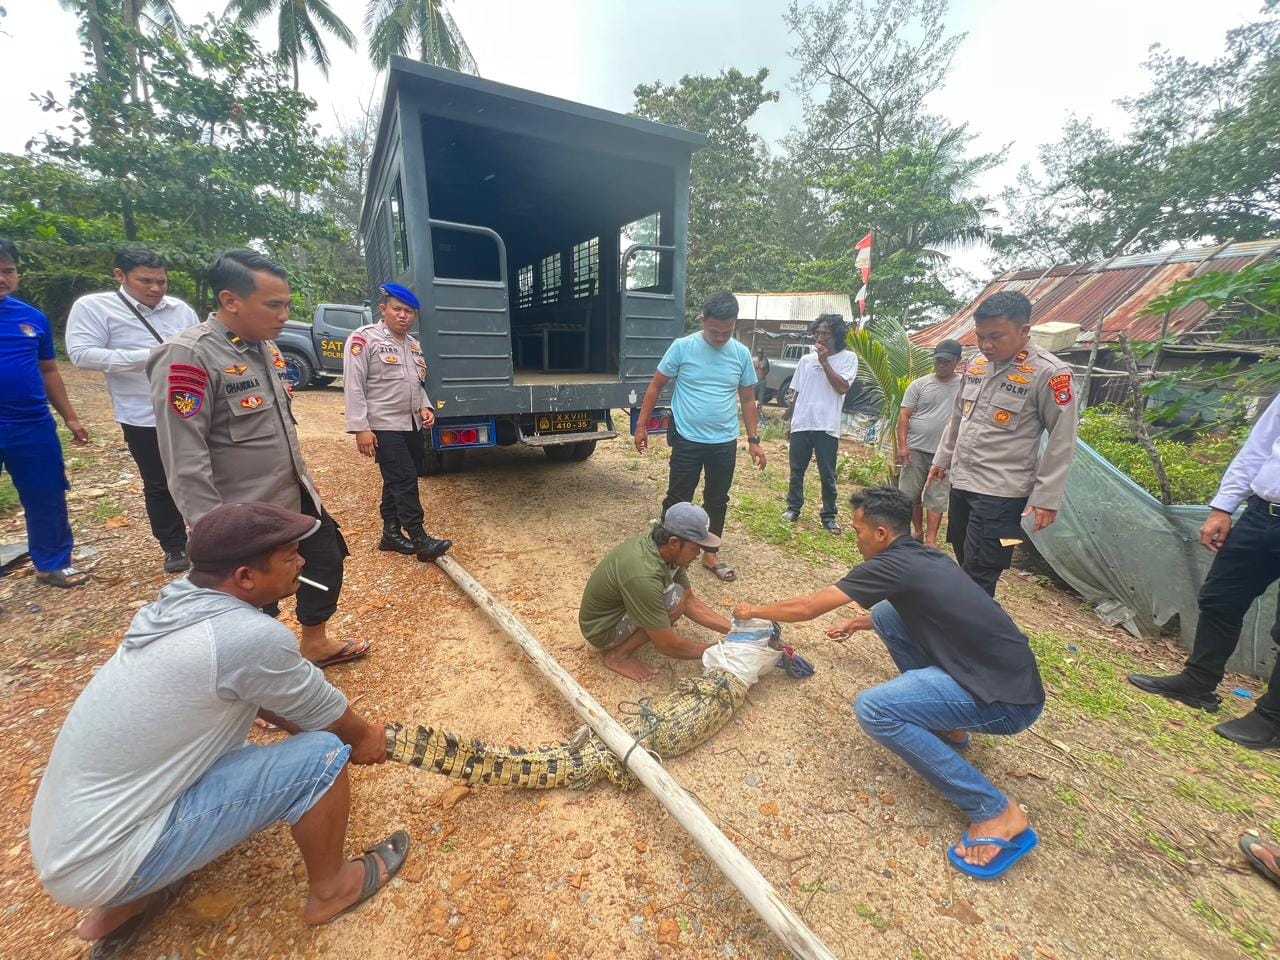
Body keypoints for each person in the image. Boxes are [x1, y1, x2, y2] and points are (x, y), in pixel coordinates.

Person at [29, 502, 408, 958]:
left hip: (69, 845)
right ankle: (333, 890)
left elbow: (269, 695)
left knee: (232, 747)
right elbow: (334, 719)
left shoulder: (177, 605)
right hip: (104, 859)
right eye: (290, 556)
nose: (302, 562)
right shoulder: (245, 636)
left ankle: (126, 902)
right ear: (246, 577)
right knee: (321, 757)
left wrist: (306, 722)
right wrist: (364, 740)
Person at [733, 486, 1045, 878]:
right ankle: (948, 726)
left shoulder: (889, 565)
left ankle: (995, 812)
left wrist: (753, 609)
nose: (856, 539)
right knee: (885, 614)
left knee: (874, 709)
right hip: (1004, 674)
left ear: (881, 534)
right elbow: (928, 608)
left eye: (858, 531)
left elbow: (808, 607)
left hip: (1008, 702)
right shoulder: (921, 555)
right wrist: (860, 620)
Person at [147, 249, 367, 668]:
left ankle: (315, 642)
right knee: (250, 597)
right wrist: (212, 534)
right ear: (230, 300)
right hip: (241, 512)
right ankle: (255, 674)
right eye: (273, 305)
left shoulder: (264, 347)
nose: (285, 315)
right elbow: (184, 458)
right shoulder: (189, 356)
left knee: (324, 559)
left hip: (292, 495)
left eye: (286, 304)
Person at [1128, 394, 1280, 750]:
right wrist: (1223, 507)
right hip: (1262, 514)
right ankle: (1198, 682)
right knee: (1220, 598)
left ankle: (1272, 718)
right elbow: (1257, 448)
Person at [928, 291, 1078, 596]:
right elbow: (958, 416)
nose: (986, 345)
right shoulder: (976, 364)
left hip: (1001, 494)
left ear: (1024, 331)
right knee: (965, 559)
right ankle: (972, 617)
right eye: (980, 336)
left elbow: (1062, 438)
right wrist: (942, 459)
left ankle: (969, 623)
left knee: (981, 572)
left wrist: (1046, 497)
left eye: (996, 336)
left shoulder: (1050, 373)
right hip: (963, 482)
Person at [66, 246, 200, 574]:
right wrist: (151, 356)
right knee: (159, 482)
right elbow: (81, 354)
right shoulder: (95, 307)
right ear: (120, 276)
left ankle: (209, 536)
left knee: (202, 473)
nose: (155, 288)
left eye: (161, 281)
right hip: (142, 413)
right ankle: (174, 545)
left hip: (190, 408)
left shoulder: (180, 310)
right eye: (145, 281)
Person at [633, 290, 766, 583]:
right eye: (714, 331)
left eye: (727, 332)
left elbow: (747, 399)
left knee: (717, 499)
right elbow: (655, 386)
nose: (720, 338)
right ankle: (664, 554)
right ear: (702, 319)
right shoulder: (683, 347)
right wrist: (641, 426)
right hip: (688, 439)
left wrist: (754, 440)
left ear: (735, 323)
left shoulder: (740, 354)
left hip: (724, 441)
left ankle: (710, 554)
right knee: (678, 499)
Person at [0, 237, 91, 589]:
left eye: (8, 271)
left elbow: (49, 370)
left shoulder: (31, 318)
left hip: (31, 423)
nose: (3, 278)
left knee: (46, 492)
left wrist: (70, 417)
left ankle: (52, 563)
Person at [343, 282, 451, 562]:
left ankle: (390, 533)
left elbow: (416, 383)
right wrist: (361, 428)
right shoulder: (364, 339)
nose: (403, 315)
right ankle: (419, 538)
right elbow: (353, 385)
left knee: (398, 477)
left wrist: (425, 406)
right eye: (397, 309)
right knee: (404, 479)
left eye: (409, 311)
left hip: (411, 424)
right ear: (383, 309)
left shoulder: (413, 344)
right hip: (384, 425)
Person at [579, 502, 731, 682]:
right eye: (696, 547)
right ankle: (618, 656)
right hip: (603, 631)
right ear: (674, 543)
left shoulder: (663, 548)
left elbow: (689, 600)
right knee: (673, 600)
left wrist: (734, 630)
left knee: (678, 596)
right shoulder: (644, 575)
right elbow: (667, 645)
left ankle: (650, 627)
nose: (698, 554)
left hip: (618, 610)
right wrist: (720, 651)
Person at [782, 314, 858, 534]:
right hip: (802, 422)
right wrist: (791, 421)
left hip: (827, 425)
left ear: (837, 335)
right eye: (817, 332)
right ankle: (793, 508)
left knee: (827, 473)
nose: (820, 337)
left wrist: (824, 362)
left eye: (826, 333)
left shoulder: (848, 358)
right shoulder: (806, 360)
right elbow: (797, 392)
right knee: (797, 470)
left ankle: (829, 515)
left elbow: (842, 387)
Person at [896, 339, 963, 546]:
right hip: (916, 448)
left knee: (937, 496)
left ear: (957, 361)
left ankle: (931, 540)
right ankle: (917, 532)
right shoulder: (919, 384)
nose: (941, 365)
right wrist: (902, 446)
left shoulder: (965, 386)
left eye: (946, 361)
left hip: (944, 453)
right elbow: (904, 415)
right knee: (910, 493)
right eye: (938, 361)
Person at [753, 348, 771, 414]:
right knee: (752, 397)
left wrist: (763, 374)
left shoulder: (765, 361)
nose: (759, 354)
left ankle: (759, 412)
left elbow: (767, 370)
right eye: (758, 353)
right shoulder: (755, 360)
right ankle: (752, 411)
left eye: (761, 353)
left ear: (762, 354)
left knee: (760, 398)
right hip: (755, 381)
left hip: (762, 380)